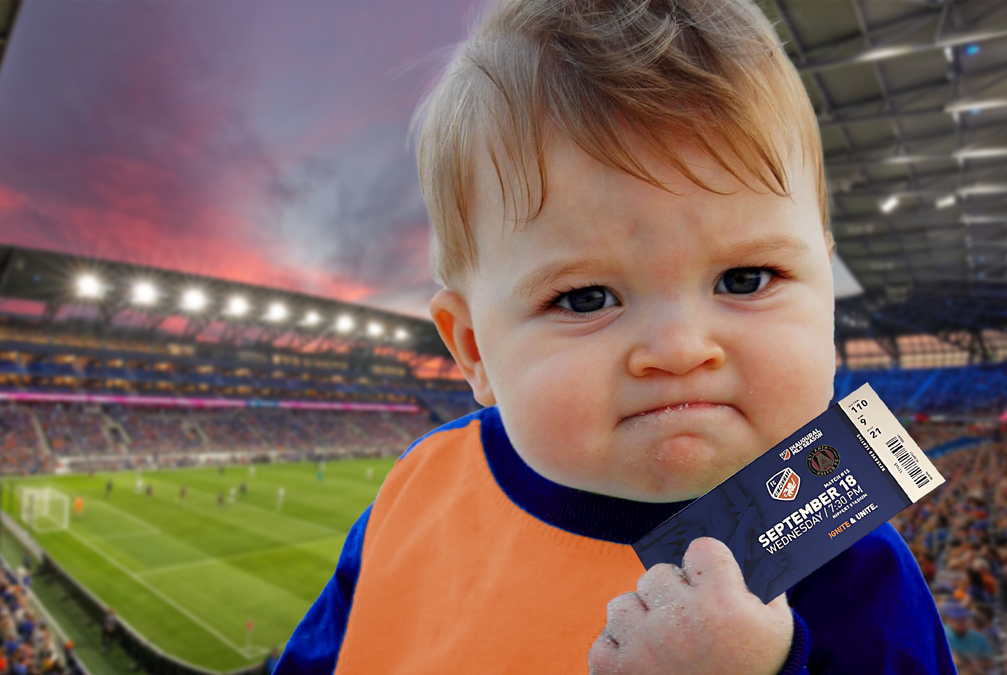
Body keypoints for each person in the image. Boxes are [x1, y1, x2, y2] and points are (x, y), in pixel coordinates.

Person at [275, 0, 954, 672]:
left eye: (746, 278)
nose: (681, 349)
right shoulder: (418, 486)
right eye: (586, 297)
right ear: (475, 349)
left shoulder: (850, 563)